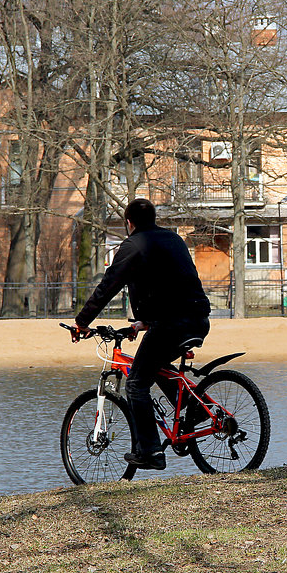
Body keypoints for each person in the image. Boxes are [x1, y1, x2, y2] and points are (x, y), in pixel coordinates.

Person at [72, 198, 211, 470]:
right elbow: (175, 284)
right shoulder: (174, 239)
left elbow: (108, 285)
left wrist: (82, 321)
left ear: (129, 223)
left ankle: (150, 452)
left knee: (136, 382)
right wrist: (144, 322)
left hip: (171, 324)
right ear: (154, 218)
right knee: (153, 365)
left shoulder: (135, 244)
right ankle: (197, 408)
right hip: (199, 319)